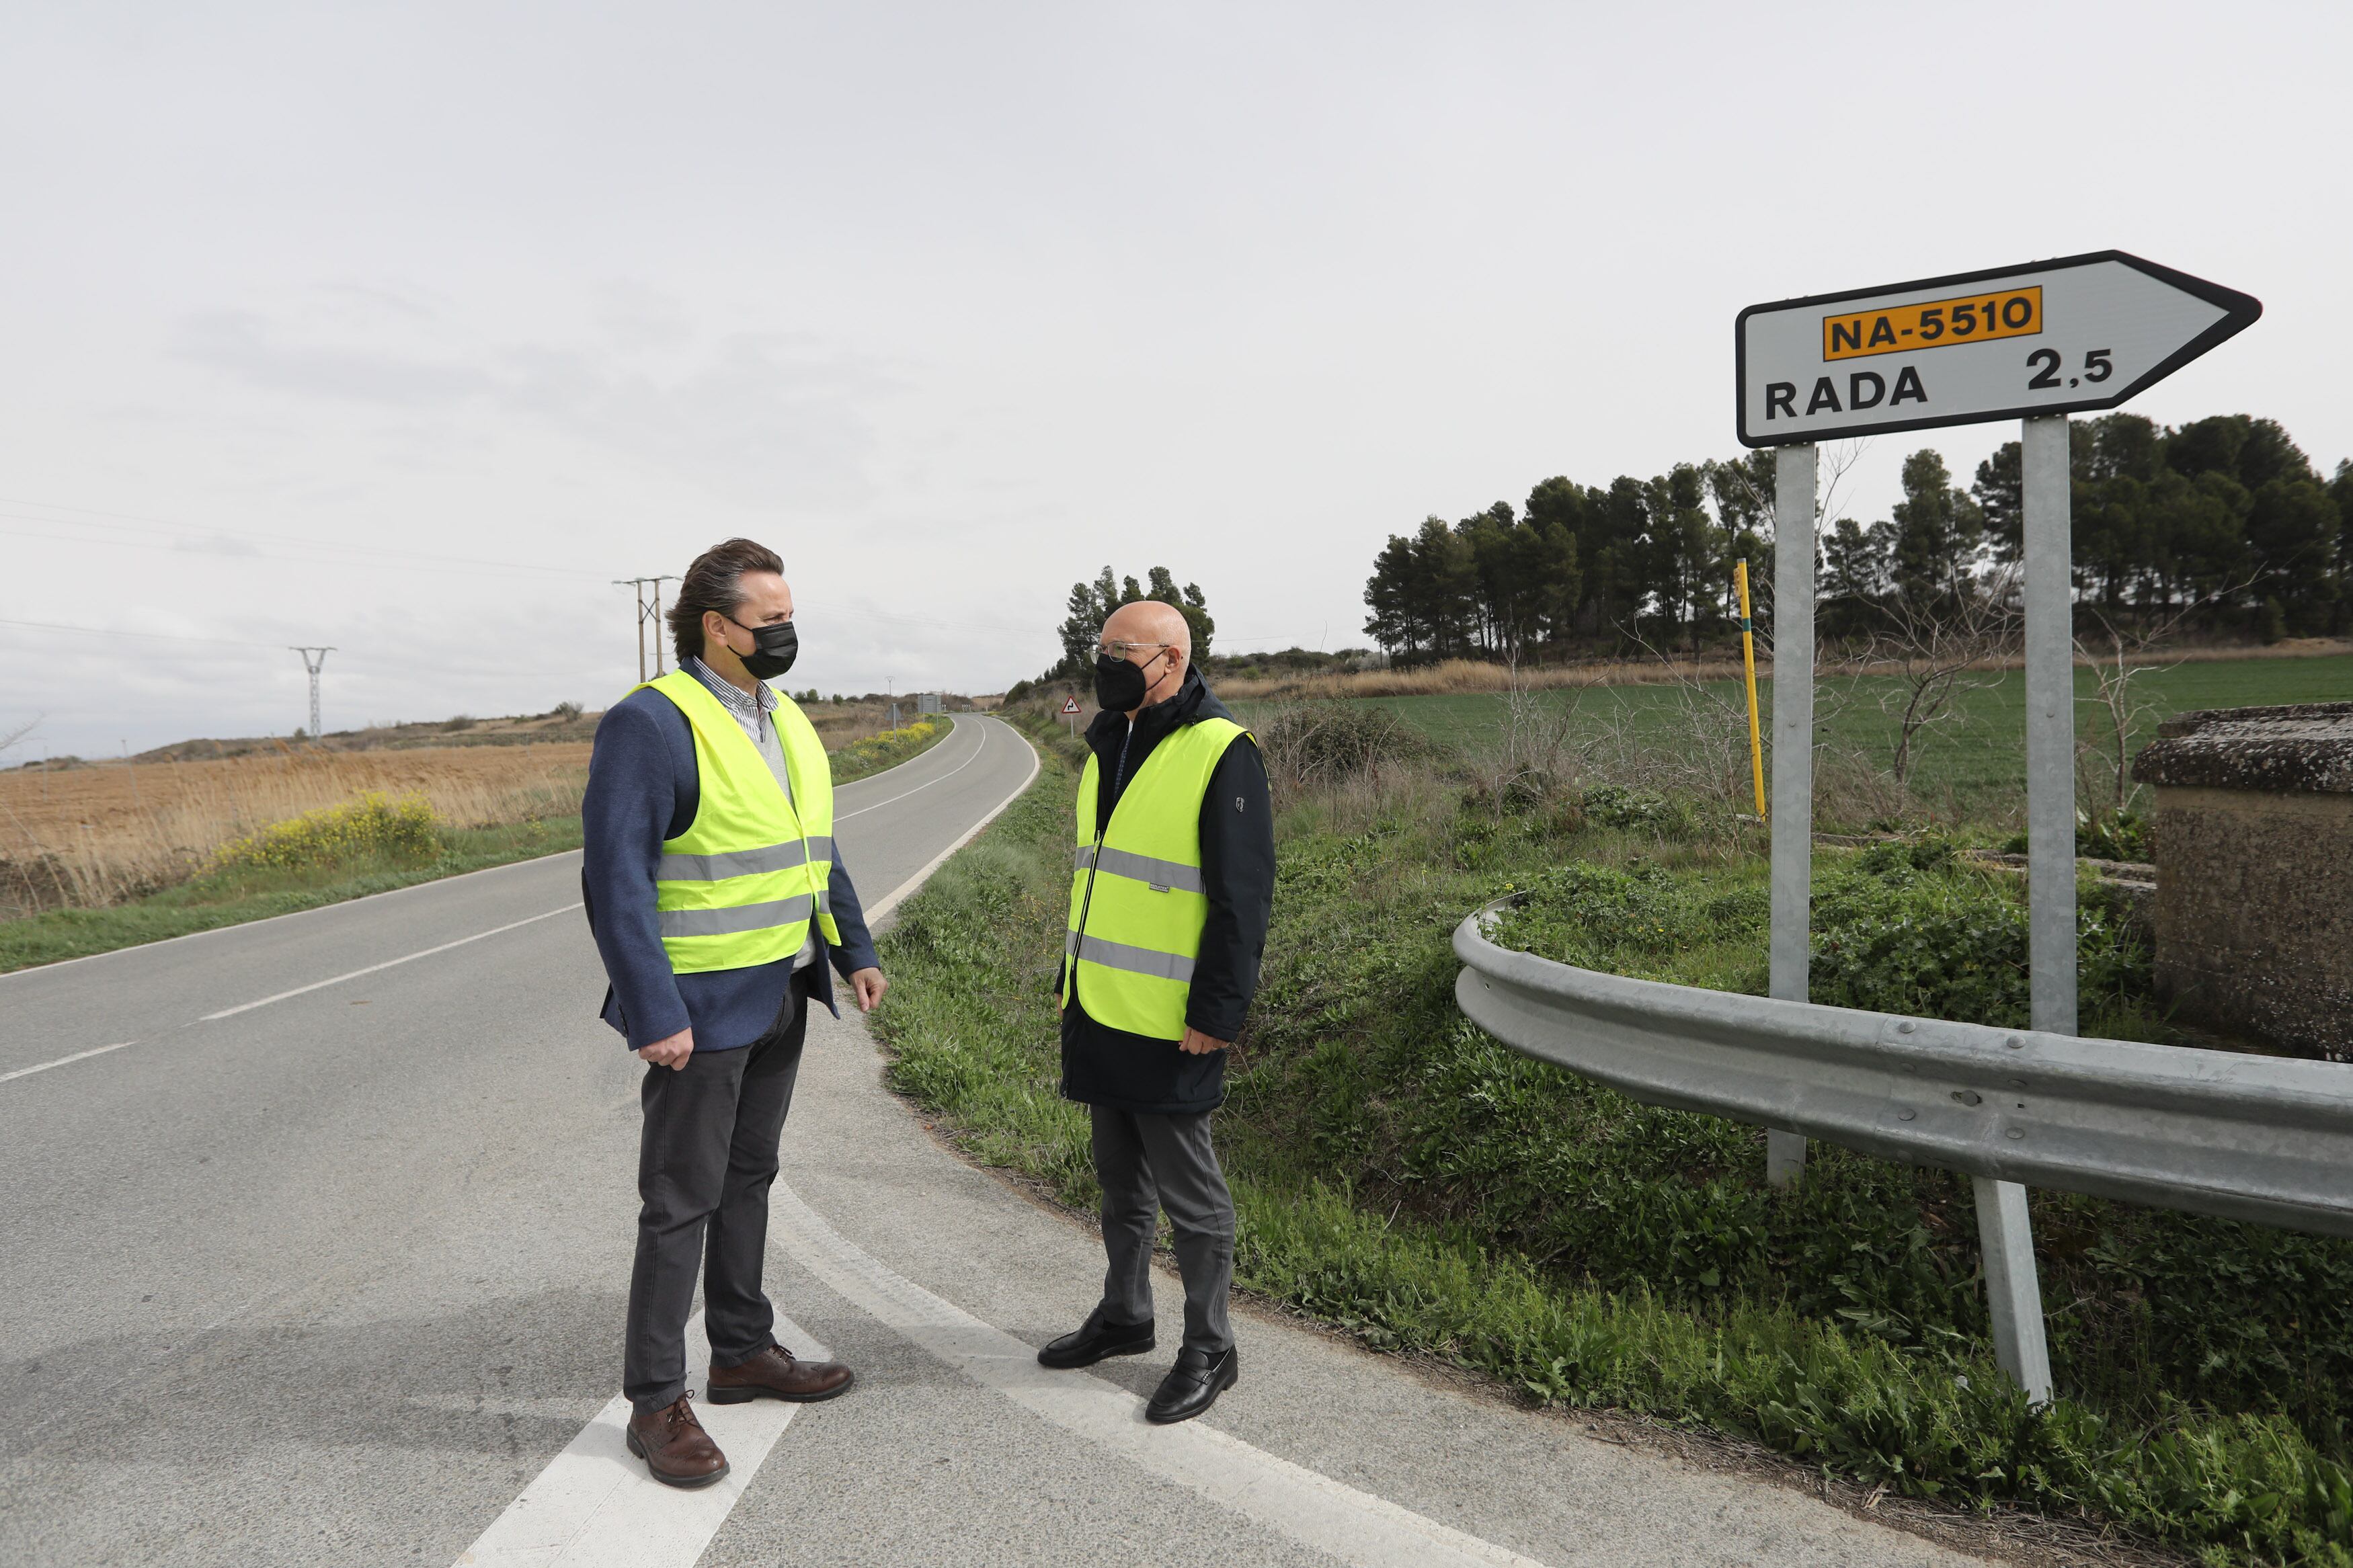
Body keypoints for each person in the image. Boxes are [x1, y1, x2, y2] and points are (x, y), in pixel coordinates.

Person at [581, 537, 886, 1489]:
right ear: (716, 627)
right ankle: (655, 1402)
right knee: (680, 1200)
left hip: (784, 988)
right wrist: (651, 1008)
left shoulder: (785, 716)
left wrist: (852, 944)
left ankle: (742, 1350)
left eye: (792, 616)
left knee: (751, 1175)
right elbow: (614, 878)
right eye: (771, 619)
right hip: (701, 1009)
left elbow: (812, 845)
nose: (788, 633)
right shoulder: (652, 724)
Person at [1036, 598, 1275, 1424]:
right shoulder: (1110, 739)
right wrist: (1071, 983)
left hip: (1175, 1020)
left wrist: (1218, 1010)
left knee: (1190, 1195)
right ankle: (1124, 1313)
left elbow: (1243, 900)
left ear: (1170, 659)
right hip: (1101, 1006)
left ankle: (1210, 1343)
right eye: (1098, 646)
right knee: (1118, 1182)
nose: (1102, 661)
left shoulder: (1221, 751)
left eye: (1119, 649)